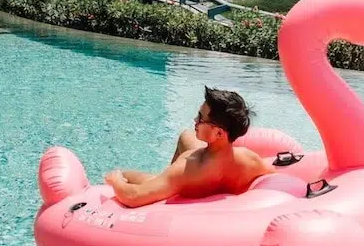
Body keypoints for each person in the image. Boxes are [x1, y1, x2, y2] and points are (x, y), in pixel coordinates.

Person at [104, 86, 275, 208]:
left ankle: (159, 180)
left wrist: (116, 181)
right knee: (186, 136)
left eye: (201, 118)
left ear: (219, 134)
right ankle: (162, 180)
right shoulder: (249, 159)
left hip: (192, 175)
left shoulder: (187, 167)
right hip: (215, 166)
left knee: (124, 173)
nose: (195, 120)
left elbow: (133, 196)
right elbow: (272, 179)